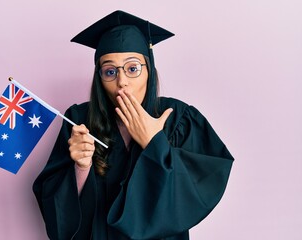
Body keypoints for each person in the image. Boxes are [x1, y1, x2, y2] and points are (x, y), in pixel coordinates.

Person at [33, 10, 234, 240]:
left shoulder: (177, 117)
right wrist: (80, 167)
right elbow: (58, 213)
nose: (122, 82)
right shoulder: (80, 120)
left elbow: (197, 192)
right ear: (100, 78)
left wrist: (154, 143)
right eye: (110, 71)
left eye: (132, 68)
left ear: (149, 71)